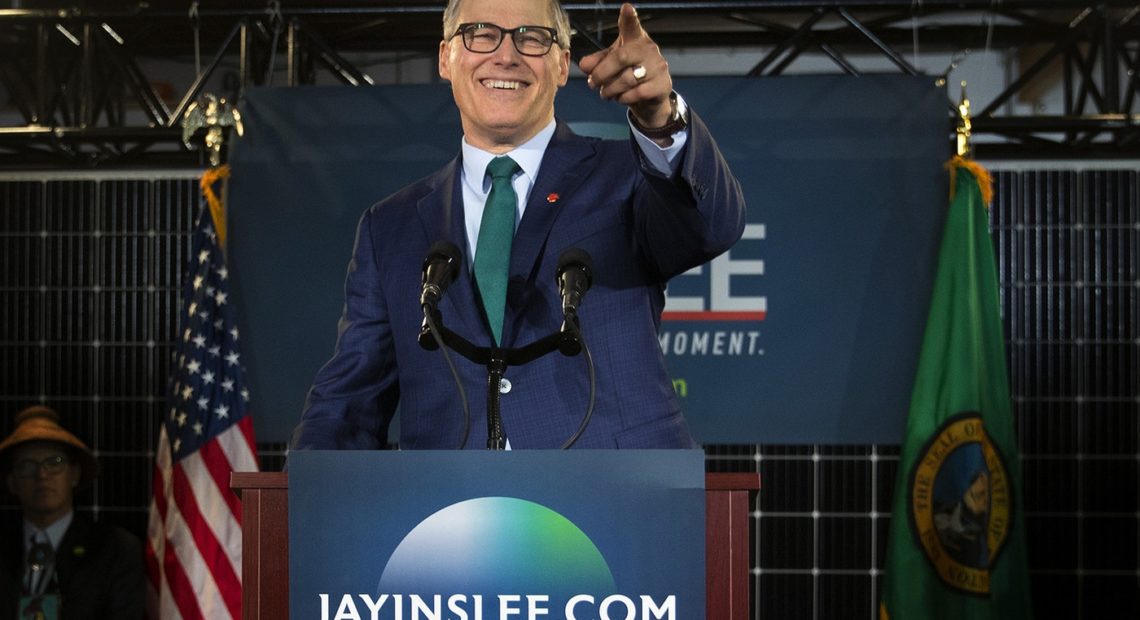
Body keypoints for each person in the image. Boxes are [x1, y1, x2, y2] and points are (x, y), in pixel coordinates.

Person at [289, 0, 746, 450]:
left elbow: (712, 227)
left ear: (563, 65)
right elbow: (349, 401)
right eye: (481, 33)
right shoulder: (388, 226)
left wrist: (662, 118)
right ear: (446, 57)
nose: (505, 55)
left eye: (531, 37)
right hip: (448, 512)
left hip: (614, 503)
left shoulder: (629, 173)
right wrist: (298, 502)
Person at [0, 406, 144, 620]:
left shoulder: (116, 549)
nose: (42, 474)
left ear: (74, 474)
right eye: (27, 465)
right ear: (11, 482)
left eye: (55, 462)